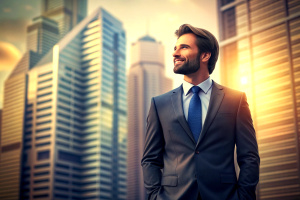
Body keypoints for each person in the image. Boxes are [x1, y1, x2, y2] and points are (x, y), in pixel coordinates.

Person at [141, 24, 260, 200]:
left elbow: (249, 156)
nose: (175, 53)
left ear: (205, 55)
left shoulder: (236, 100)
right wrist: (154, 197)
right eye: (175, 48)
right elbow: (150, 159)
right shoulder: (159, 104)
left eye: (184, 47)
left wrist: (244, 196)